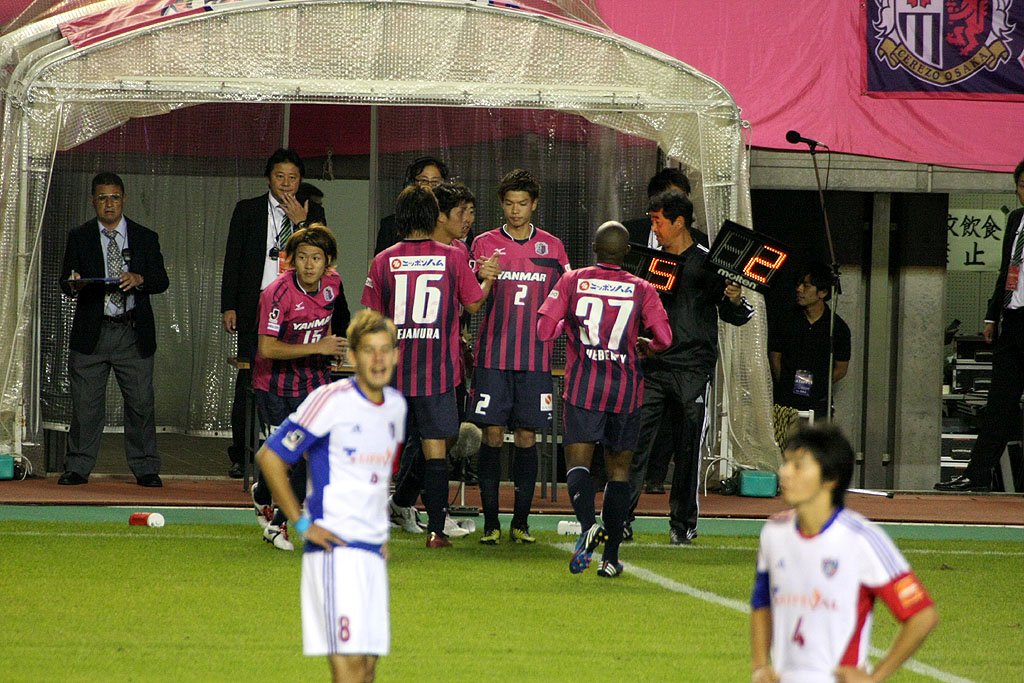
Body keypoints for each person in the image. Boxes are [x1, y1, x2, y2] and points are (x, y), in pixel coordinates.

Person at [255, 309, 406, 683]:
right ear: (352, 356)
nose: (378, 359)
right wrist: (301, 523)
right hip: (334, 552)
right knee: (349, 671)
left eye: (385, 350)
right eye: (368, 350)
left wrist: (381, 536)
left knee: (367, 670)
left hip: (372, 553)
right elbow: (271, 456)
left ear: (396, 355)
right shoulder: (330, 400)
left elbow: (374, 479)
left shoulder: (396, 407)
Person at [750, 424, 938, 683]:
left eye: (798, 466)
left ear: (830, 479)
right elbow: (761, 602)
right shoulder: (774, 532)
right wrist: (760, 666)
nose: (784, 472)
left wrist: (875, 678)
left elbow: (922, 615)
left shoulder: (861, 539)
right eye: (786, 463)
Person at [362, 184, 494, 548]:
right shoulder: (452, 256)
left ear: (402, 217)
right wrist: (488, 279)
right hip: (438, 372)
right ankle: (437, 532)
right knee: (436, 450)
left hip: (394, 374)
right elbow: (473, 304)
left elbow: (371, 319)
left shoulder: (384, 260)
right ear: (432, 215)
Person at [537, 221, 671, 577]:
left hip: (584, 388)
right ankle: (610, 559)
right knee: (619, 472)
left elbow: (543, 330)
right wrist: (648, 346)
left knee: (578, 465)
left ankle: (586, 526)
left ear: (594, 249)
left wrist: (567, 326)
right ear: (627, 252)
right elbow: (665, 338)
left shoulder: (572, 281)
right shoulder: (642, 287)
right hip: (626, 391)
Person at [625, 190, 754, 545]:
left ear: (678, 222)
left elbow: (737, 314)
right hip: (652, 366)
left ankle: (682, 525)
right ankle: (621, 520)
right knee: (633, 445)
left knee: (687, 450)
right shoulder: (651, 263)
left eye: (658, 221)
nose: (654, 228)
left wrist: (734, 299)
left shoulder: (709, 263)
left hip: (693, 370)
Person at [469, 169, 570, 544]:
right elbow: (468, 298)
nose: (515, 210)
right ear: (502, 204)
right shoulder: (483, 244)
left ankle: (521, 523)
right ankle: (491, 524)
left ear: (534, 204)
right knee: (492, 434)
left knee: (527, 436)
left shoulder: (552, 248)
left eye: (522, 204)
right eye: (510, 204)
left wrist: (558, 331)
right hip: (493, 358)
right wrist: (483, 277)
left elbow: (567, 297)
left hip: (534, 360)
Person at [57, 172, 170, 487]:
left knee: (140, 404)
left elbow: (161, 280)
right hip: (92, 333)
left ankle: (146, 467)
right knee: (86, 405)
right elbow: (66, 281)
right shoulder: (79, 236)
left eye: (115, 197)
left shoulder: (145, 237)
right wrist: (74, 283)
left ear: (124, 199)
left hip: (132, 332)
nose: (109, 204)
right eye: (103, 198)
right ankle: (78, 466)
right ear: (93, 201)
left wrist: (140, 279)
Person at [221, 148, 327, 479]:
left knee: (298, 380)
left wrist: (301, 223)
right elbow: (233, 259)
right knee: (251, 379)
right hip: (256, 305)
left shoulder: (313, 211)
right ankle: (243, 455)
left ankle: (292, 453)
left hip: (299, 308)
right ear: (268, 178)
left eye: (292, 177)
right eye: (280, 176)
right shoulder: (248, 210)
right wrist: (229, 305)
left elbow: (323, 255)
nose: (286, 183)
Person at [251, 224, 350, 550]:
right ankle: (262, 494)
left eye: (316, 258)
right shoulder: (276, 294)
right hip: (274, 385)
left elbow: (330, 321)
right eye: (303, 257)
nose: (309, 265)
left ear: (328, 262)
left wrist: (333, 347)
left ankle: (278, 524)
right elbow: (267, 348)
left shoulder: (333, 285)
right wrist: (318, 347)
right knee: (281, 458)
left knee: (309, 452)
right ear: (292, 260)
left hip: (314, 382)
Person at [936, 158, 1024, 492]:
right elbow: (1006, 270)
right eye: (1022, 186)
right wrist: (991, 316)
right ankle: (977, 475)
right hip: (1012, 320)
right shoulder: (1016, 219)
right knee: (999, 405)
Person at [621, 167, 706, 495]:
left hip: (688, 361)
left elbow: (727, 308)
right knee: (632, 432)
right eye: (654, 219)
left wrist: (733, 299)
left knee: (684, 437)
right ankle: (621, 511)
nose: (655, 227)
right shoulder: (630, 237)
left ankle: (677, 510)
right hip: (643, 354)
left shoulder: (704, 253)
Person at [768, 262, 851, 420]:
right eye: (799, 284)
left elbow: (841, 368)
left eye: (806, 286)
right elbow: (775, 357)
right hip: (785, 403)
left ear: (822, 292)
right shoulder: (786, 320)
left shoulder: (837, 328)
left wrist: (819, 386)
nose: (799, 289)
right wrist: (786, 384)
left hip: (818, 403)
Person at [373, 156, 449, 256]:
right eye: (424, 181)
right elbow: (381, 262)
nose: (429, 187)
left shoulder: (453, 222)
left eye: (435, 182)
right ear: (411, 184)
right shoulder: (390, 225)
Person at [622, 167, 708, 250]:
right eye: (673, 201)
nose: (679, 206)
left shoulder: (703, 244)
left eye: (683, 199)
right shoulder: (626, 234)